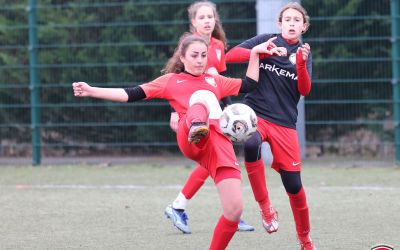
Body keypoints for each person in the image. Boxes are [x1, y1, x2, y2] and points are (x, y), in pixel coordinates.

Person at [72, 34, 276, 250]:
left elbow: (250, 84)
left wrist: (254, 54)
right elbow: (131, 94)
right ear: (183, 57)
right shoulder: (170, 81)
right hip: (191, 135)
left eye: (203, 56)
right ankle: (198, 125)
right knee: (203, 98)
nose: (200, 60)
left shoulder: (214, 80)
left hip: (218, 144)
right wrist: (91, 90)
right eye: (194, 55)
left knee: (234, 211)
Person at [225, 2, 316, 250]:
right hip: (256, 114)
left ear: (304, 27)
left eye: (297, 20)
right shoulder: (268, 40)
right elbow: (230, 56)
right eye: (287, 19)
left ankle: (305, 238)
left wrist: (300, 63)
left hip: (285, 123)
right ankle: (265, 207)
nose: (292, 23)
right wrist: (260, 50)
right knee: (251, 141)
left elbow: (304, 90)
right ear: (280, 23)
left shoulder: (304, 53)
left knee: (294, 186)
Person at [164, 0, 254, 234]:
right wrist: (175, 111)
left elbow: (219, 80)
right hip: (192, 112)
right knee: (214, 158)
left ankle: (183, 206)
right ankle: (225, 211)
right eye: (202, 17)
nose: (207, 21)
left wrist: (229, 113)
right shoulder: (188, 44)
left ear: (215, 20)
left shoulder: (217, 45)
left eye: (210, 17)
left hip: (214, 108)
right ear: (193, 22)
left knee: (217, 159)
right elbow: (176, 79)